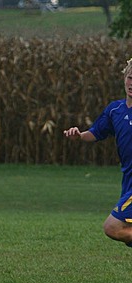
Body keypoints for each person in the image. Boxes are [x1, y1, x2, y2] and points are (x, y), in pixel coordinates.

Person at [64, 58, 132, 247]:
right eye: (130, 78)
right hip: (128, 180)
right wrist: (78, 136)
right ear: (124, 78)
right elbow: (95, 133)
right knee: (125, 230)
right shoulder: (115, 110)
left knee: (113, 227)